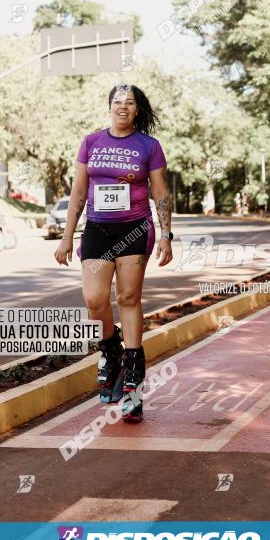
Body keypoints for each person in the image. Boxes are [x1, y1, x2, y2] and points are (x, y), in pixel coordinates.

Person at [54, 84, 173, 422]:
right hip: (98, 229)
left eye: (130, 102)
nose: (123, 107)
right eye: (118, 102)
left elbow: (161, 193)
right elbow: (78, 192)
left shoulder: (149, 146)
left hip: (135, 228)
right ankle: (111, 351)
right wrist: (66, 237)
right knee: (94, 300)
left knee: (128, 297)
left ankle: (134, 374)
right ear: (109, 107)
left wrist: (166, 235)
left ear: (138, 109)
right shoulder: (91, 142)